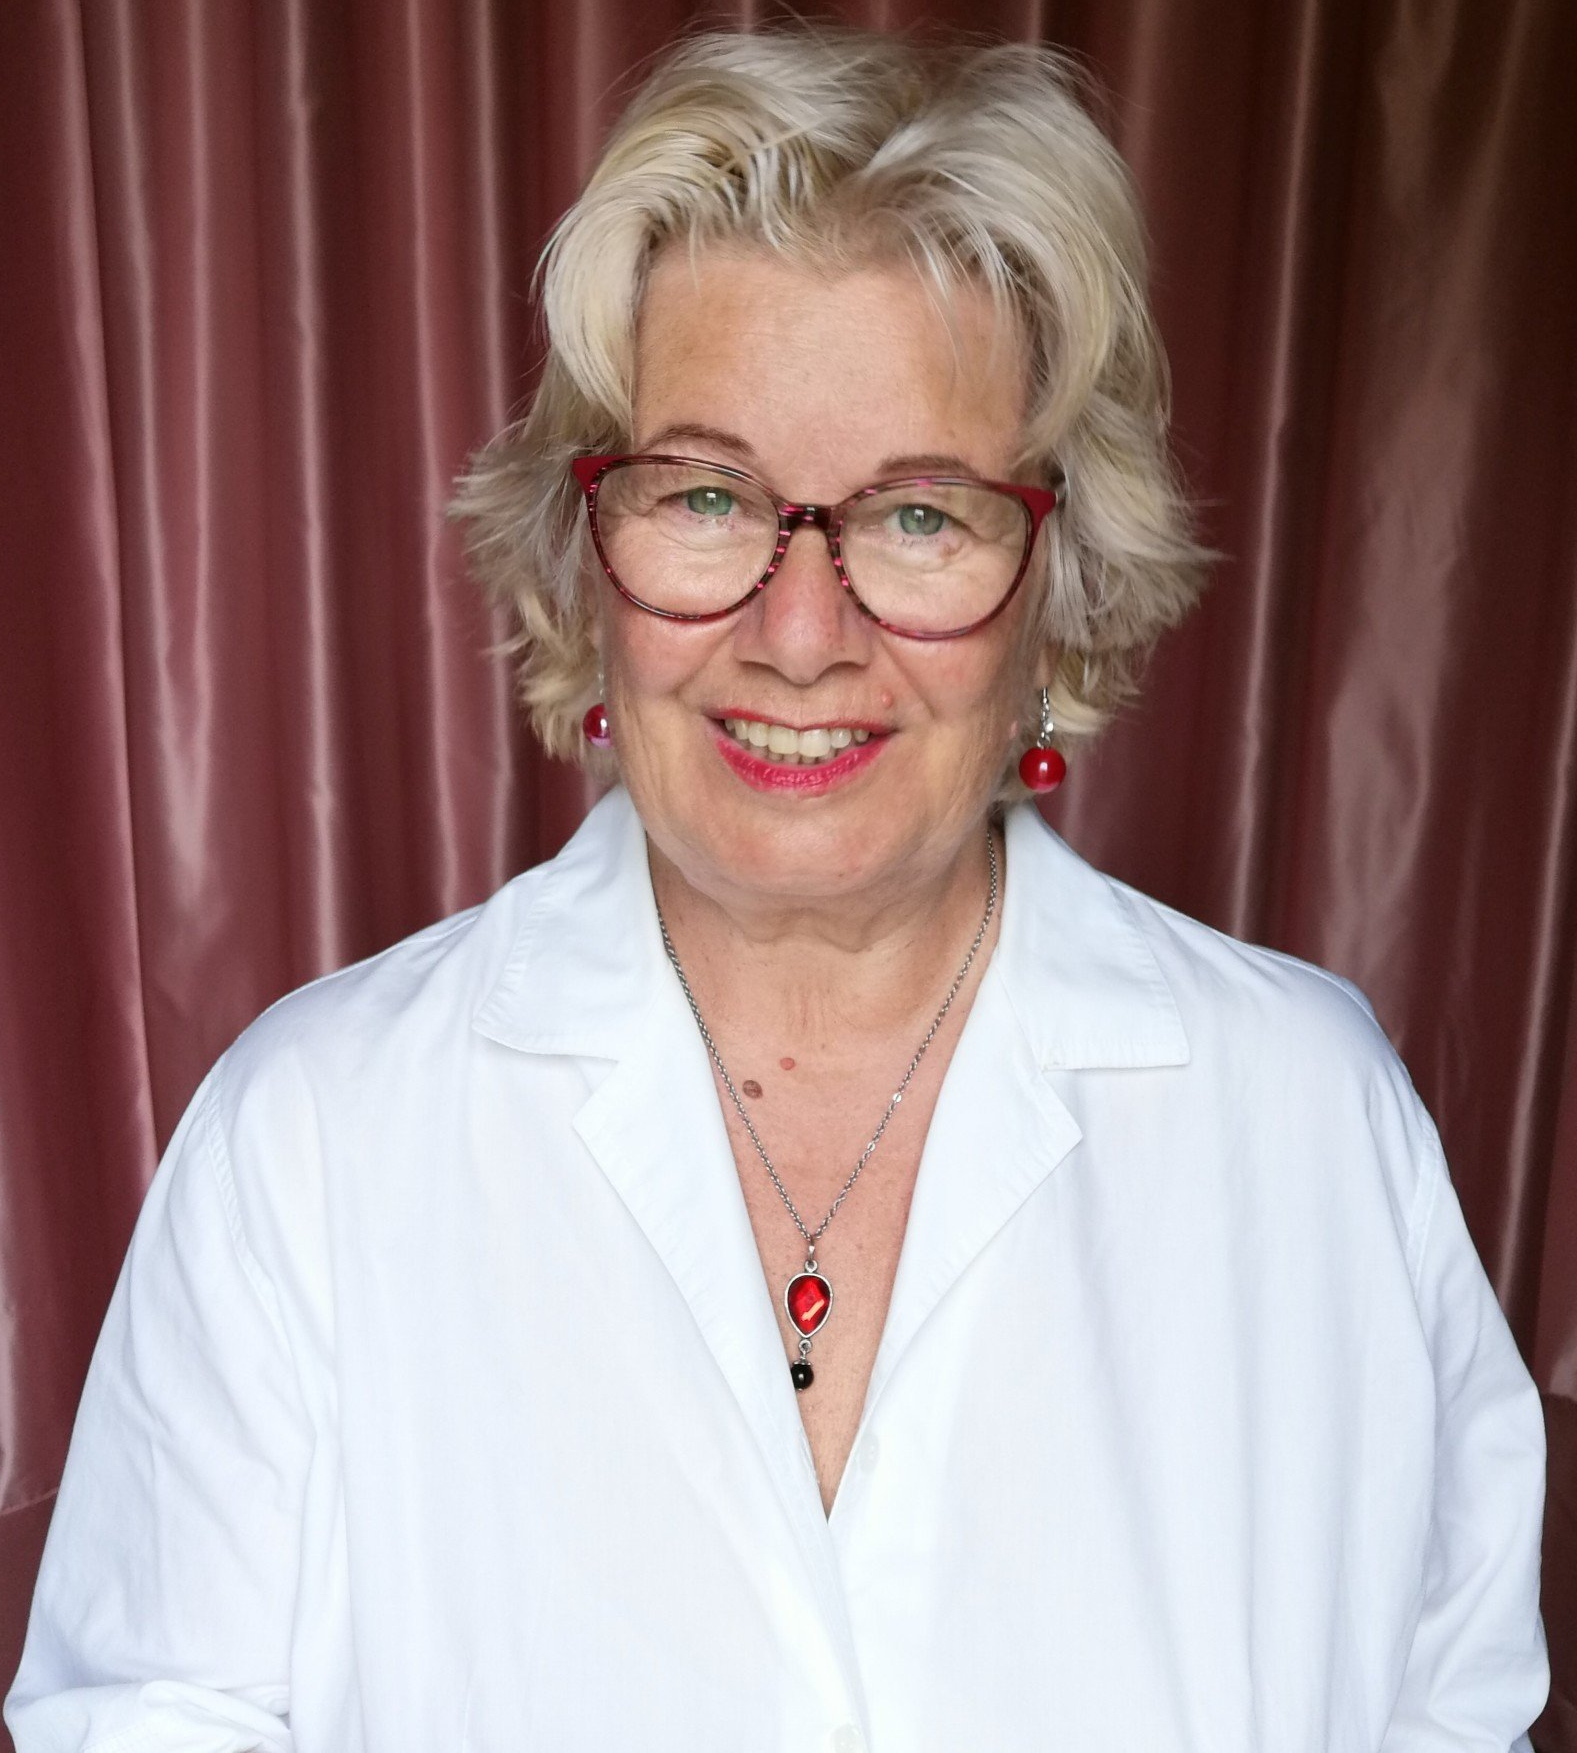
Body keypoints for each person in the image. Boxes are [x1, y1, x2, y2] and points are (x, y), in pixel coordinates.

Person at [5, 24, 1547, 1753]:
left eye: (919, 518)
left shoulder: (1314, 1121)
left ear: (1060, 584)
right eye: (707, 496)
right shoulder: (308, 1139)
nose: (800, 637)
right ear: (584, 561)